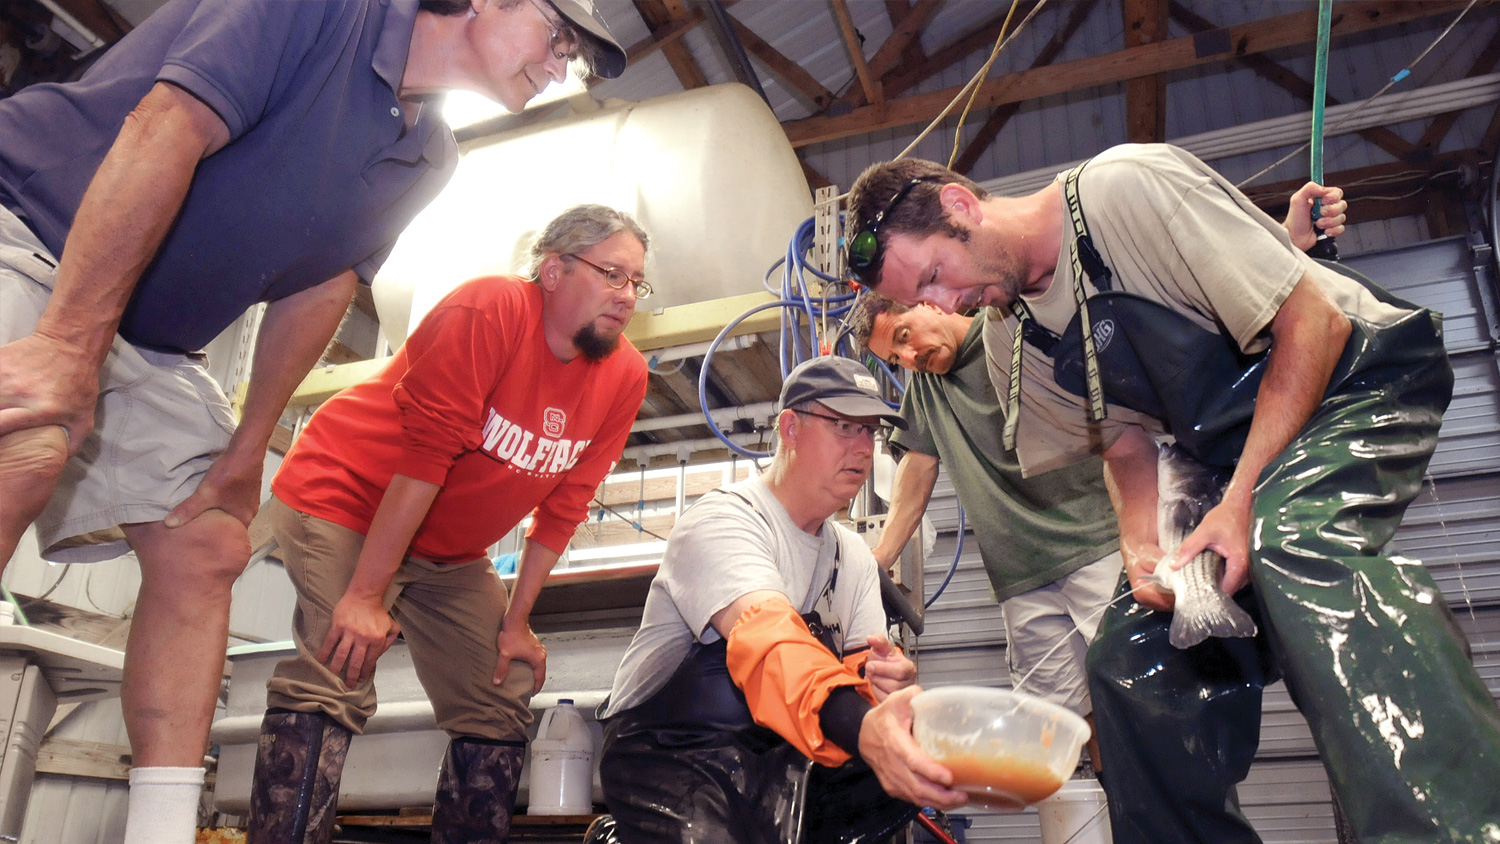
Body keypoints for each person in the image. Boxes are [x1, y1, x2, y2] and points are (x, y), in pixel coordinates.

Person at [0, 2, 626, 841]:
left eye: (575, 55)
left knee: (212, 540)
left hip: (152, 337)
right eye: (558, 35)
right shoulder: (320, 9)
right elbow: (166, 126)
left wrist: (245, 450)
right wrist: (69, 342)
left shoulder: (428, 153)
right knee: (28, 445)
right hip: (34, 230)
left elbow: (321, 283)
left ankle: (157, 830)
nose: (562, 65)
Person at [844, 144, 1500, 842]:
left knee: (1291, 546)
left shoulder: (1121, 191)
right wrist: (1140, 549)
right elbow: (1125, 445)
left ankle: (1454, 826)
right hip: (1224, 458)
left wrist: (1241, 498)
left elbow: (1314, 322)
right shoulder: (1015, 338)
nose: (947, 305)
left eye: (937, 277)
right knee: (1126, 662)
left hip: (1349, 381)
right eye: (923, 300)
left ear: (960, 205)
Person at [842, 182, 1341, 783]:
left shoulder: (1021, 330)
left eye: (905, 332)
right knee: (1076, 722)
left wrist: (1284, 244)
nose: (913, 353)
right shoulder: (951, 373)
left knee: (1150, 703)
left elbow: (1222, 300)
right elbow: (919, 474)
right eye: (895, 359)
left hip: (1097, 547)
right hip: (1024, 576)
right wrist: (880, 557)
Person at [251, 204, 650, 844]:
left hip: (447, 548)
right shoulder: (488, 311)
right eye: (611, 274)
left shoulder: (624, 373)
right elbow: (425, 460)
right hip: (346, 498)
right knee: (342, 663)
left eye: (636, 281)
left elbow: (567, 503)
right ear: (553, 270)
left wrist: (517, 622)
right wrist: (362, 594)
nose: (626, 295)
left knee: (503, 683)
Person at [595, 356, 966, 844]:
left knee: (913, 755)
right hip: (674, 758)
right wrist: (866, 727)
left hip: (786, 760)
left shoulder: (851, 557)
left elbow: (851, 680)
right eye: (844, 426)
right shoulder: (724, 522)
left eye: (870, 431)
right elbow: (769, 642)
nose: (862, 447)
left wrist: (880, 690)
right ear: (790, 428)